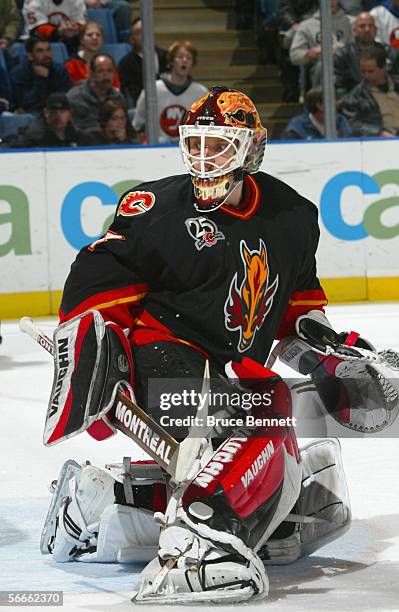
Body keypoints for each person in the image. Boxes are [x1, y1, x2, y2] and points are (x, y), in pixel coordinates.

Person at [39, 86, 399, 603]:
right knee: (266, 412)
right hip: (161, 357)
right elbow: (94, 286)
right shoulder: (154, 207)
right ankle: (203, 543)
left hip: (230, 367)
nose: (205, 158)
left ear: (252, 147)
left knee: (292, 488)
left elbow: (296, 313)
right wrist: (98, 346)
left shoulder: (292, 216)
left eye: (219, 145)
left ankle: (97, 506)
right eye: (196, 144)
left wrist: (330, 352)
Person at [133, 40, 208, 143]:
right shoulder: (153, 89)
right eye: (180, 57)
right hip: (157, 148)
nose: (184, 60)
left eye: (189, 58)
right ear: (172, 61)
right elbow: (138, 123)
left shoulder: (201, 93)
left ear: (193, 63)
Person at [290, 0, 353, 87]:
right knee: (322, 66)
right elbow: (294, 56)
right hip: (320, 67)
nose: (330, 2)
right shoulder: (307, 25)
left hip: (348, 65)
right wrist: (308, 54)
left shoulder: (353, 22)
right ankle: (321, 99)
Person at [340, 44, 399, 135]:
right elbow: (352, 123)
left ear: (383, 68)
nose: (366, 76)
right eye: (363, 71)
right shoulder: (357, 96)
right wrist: (379, 132)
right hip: (383, 140)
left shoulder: (396, 84)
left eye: (370, 71)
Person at [10, 36, 70, 114]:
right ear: (30, 56)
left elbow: (63, 100)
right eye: (40, 51)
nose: (46, 55)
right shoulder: (18, 73)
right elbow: (25, 104)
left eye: (48, 50)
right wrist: (41, 79)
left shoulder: (60, 70)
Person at [118, 17, 168, 109]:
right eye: (138, 32)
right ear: (132, 38)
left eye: (146, 30)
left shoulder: (167, 57)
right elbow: (128, 95)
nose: (144, 35)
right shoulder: (125, 64)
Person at [67, 51, 125, 129]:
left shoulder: (118, 97)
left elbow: (127, 127)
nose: (106, 75)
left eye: (110, 71)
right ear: (91, 73)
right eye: (100, 71)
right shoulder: (75, 98)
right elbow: (75, 133)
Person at [11, 92, 87, 147]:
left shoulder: (79, 136)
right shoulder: (34, 138)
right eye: (54, 112)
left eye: (62, 112)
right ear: (45, 113)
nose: (58, 116)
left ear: (70, 113)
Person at [334, 12, 379, 98]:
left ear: (376, 30)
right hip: (354, 104)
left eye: (370, 26)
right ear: (354, 31)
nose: (367, 29)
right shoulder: (342, 56)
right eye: (362, 26)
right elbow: (339, 88)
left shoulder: (389, 53)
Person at [65, 21, 120, 88]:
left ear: (103, 40)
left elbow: (116, 88)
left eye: (98, 35)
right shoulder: (71, 64)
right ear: (82, 40)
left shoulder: (109, 63)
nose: (95, 38)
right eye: (89, 35)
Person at [281, 87, 352, 138]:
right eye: (333, 101)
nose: (336, 105)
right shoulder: (296, 127)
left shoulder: (340, 121)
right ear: (320, 106)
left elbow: (349, 145)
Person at [22, 0, 88, 56]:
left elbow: (81, 24)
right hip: (38, 41)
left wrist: (74, 29)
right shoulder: (33, 1)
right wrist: (59, 31)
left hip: (70, 40)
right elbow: (37, 28)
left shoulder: (77, 1)